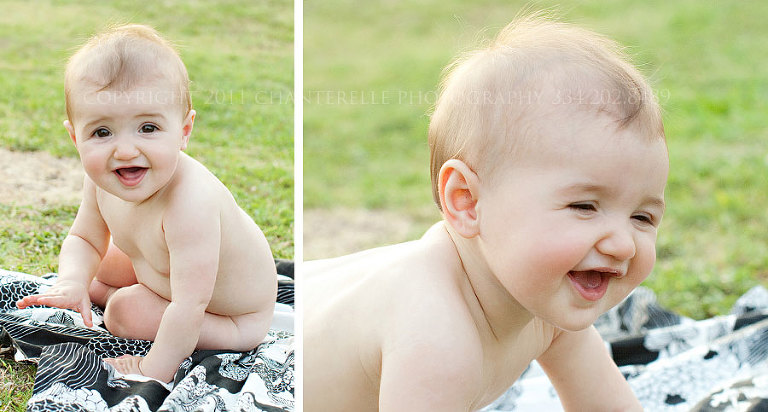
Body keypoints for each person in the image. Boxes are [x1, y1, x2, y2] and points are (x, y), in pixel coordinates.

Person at [303, 13, 668, 411]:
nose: (622, 244)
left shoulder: (546, 302)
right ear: (467, 201)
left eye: (642, 218)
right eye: (584, 206)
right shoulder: (436, 335)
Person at [16, 24, 277, 383]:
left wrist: (152, 369)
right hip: (164, 274)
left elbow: (189, 306)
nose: (124, 150)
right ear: (76, 137)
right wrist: (72, 281)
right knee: (100, 264)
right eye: (102, 132)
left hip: (229, 317)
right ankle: (96, 290)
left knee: (125, 311)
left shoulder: (191, 203)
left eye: (148, 128)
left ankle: (119, 297)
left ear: (184, 131)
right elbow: (84, 239)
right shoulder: (102, 181)